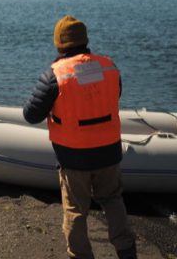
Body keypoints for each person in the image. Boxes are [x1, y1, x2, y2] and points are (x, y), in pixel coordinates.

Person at [23, 15, 137, 259]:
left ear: (59, 44)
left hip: (74, 157)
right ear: (85, 40)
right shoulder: (109, 66)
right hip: (109, 152)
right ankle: (127, 252)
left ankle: (80, 255)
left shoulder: (54, 75)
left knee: (75, 211)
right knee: (113, 199)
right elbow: (114, 95)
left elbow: (31, 115)